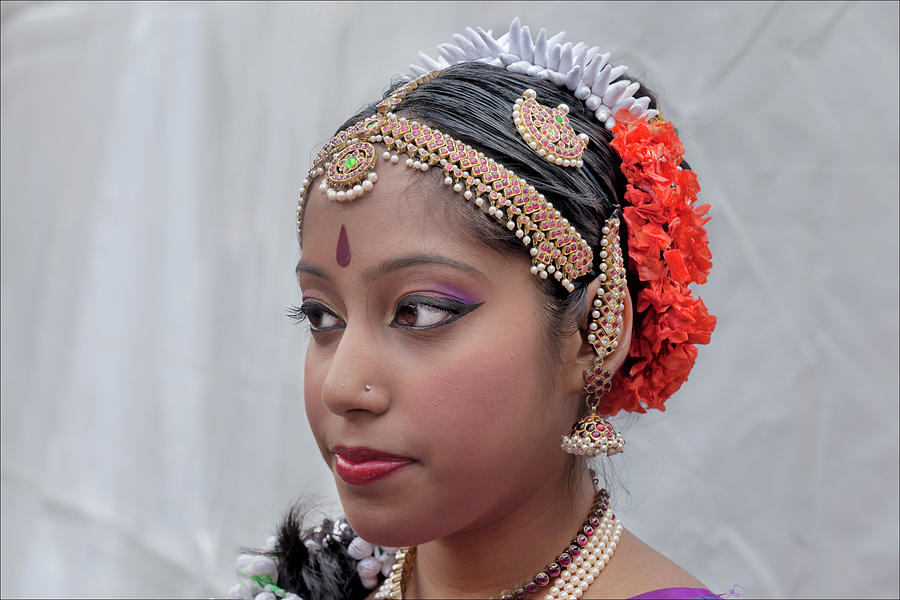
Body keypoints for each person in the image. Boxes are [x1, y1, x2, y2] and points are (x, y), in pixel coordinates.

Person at [231, 18, 719, 600]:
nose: (341, 386)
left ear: (594, 333)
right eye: (321, 316)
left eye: (419, 312)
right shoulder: (316, 584)